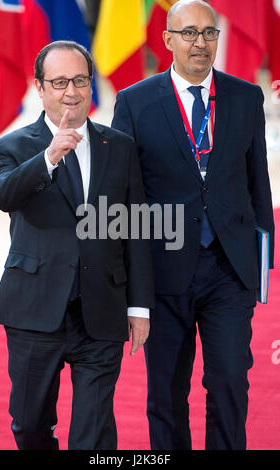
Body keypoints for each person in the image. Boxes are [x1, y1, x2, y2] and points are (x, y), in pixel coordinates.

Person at [112, 0, 275, 450]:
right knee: (165, 393)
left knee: (228, 383)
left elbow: (258, 181)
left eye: (208, 32)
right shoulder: (134, 103)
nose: (199, 42)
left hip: (229, 269)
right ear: (168, 40)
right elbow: (126, 197)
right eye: (188, 33)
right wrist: (130, 281)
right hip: (164, 274)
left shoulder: (245, 96)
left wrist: (262, 263)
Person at [0, 40, 154, 451]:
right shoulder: (13, 146)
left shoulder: (119, 147)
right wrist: (48, 157)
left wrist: (139, 306)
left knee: (93, 437)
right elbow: (4, 196)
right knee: (29, 427)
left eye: (80, 80)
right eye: (60, 82)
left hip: (100, 313)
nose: (72, 91)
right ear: (40, 88)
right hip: (33, 312)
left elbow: (135, 228)